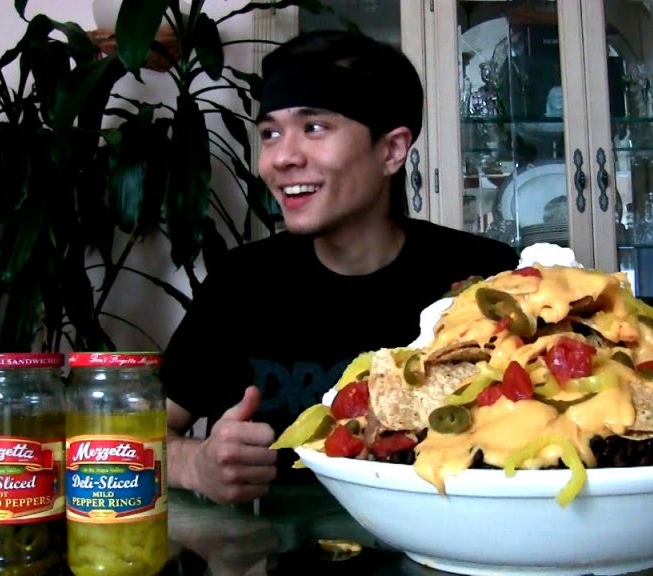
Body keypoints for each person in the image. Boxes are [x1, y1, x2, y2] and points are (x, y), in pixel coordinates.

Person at [161, 29, 519, 505]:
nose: (281, 158)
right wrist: (194, 463)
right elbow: (122, 441)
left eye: (314, 128)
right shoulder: (242, 283)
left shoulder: (487, 280)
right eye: (270, 133)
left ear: (391, 151)